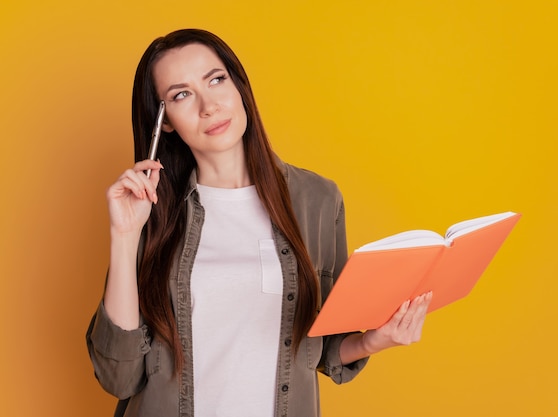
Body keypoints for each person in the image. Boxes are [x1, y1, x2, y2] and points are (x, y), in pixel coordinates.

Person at [86, 28, 433, 417]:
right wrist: (124, 234)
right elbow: (119, 377)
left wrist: (374, 340)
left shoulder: (316, 200)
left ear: (239, 86)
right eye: (181, 94)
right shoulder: (152, 211)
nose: (209, 106)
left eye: (216, 80)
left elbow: (323, 344)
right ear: (164, 122)